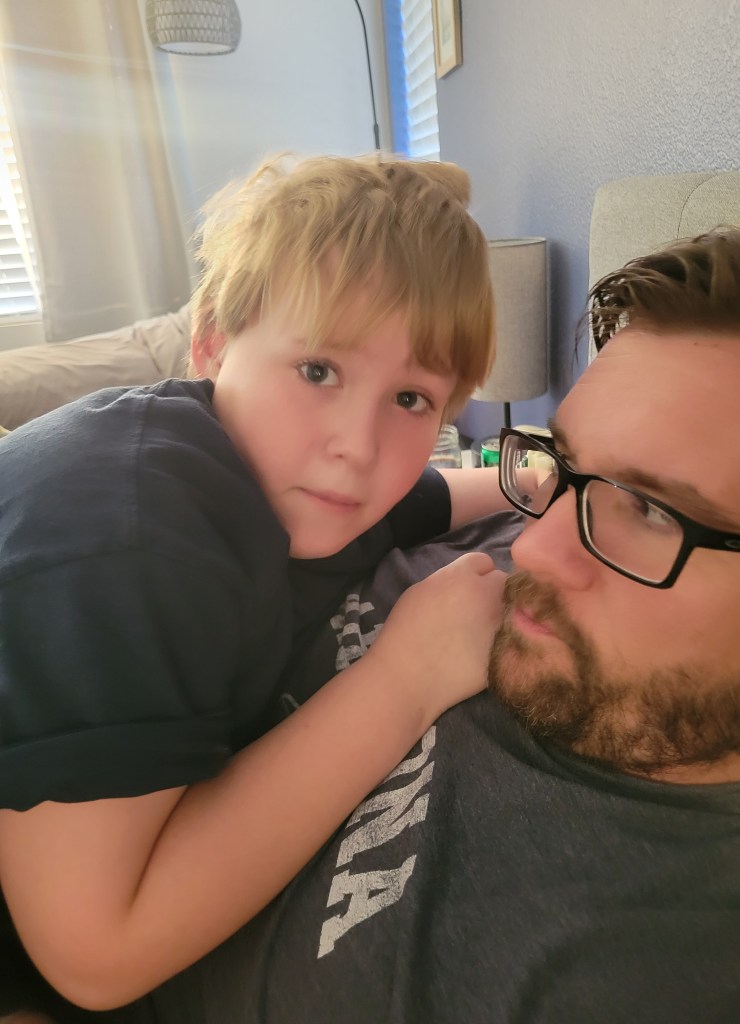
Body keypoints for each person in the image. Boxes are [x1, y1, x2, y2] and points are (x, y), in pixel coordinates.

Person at [136, 226, 740, 1024]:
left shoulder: (650, 976)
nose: (532, 550)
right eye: (568, 468)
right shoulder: (511, 530)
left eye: (649, 510)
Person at [0, 153, 511, 1021]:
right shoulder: (137, 537)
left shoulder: (277, 475)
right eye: (318, 371)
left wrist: (533, 482)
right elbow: (94, 955)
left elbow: (421, 496)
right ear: (211, 341)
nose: (359, 448)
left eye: (412, 400)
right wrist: (407, 676)